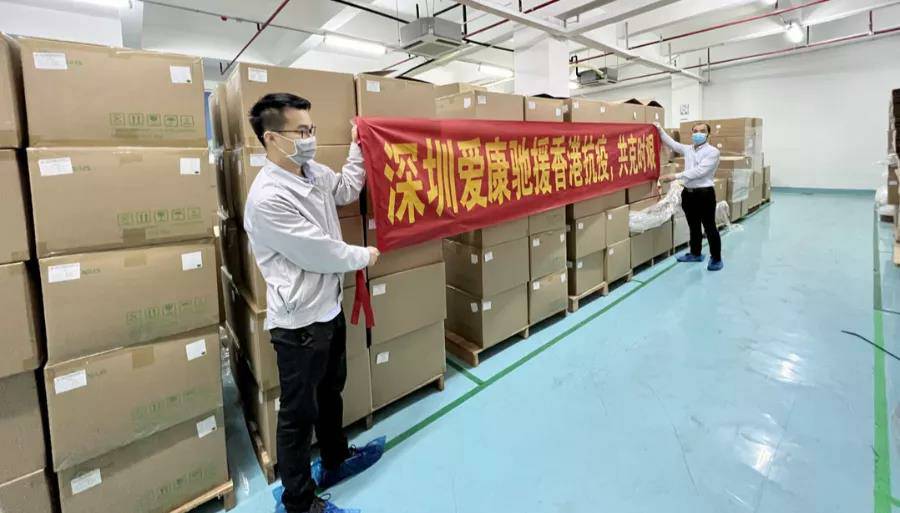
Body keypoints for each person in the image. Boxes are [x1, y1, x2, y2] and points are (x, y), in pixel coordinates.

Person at [243, 92, 384, 513]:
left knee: (330, 390)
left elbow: (345, 187)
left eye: (311, 130)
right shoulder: (268, 198)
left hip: (328, 307)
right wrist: (364, 255)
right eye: (301, 131)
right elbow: (317, 252)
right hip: (300, 324)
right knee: (298, 415)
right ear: (271, 138)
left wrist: (358, 146)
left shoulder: (311, 172)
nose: (309, 139)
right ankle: (300, 502)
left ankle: (336, 458)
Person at [656, 122, 724, 271]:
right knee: (693, 226)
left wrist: (675, 176)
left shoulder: (713, 152)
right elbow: (672, 144)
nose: (698, 134)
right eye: (695, 131)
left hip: (705, 194)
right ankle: (695, 253)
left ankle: (716, 258)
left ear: (708, 134)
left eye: (702, 131)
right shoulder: (688, 149)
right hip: (688, 193)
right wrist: (659, 129)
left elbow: (700, 171)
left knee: (710, 227)